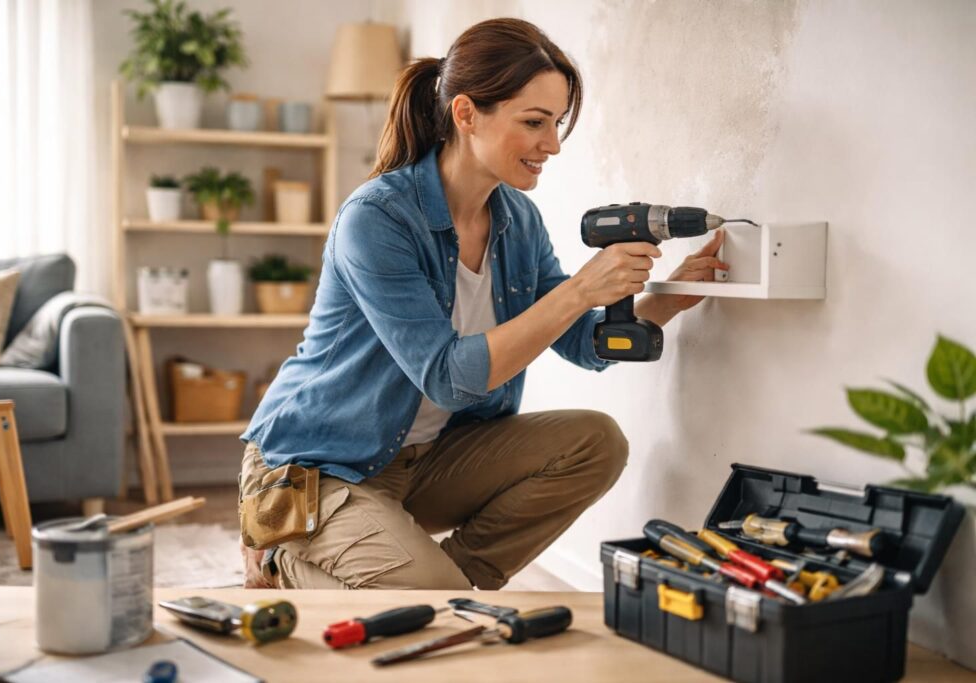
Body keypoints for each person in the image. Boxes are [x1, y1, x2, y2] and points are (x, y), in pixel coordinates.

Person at [239, 17, 727, 590]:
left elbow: (580, 342)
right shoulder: (377, 219)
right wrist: (580, 288)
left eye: (558, 123)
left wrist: (670, 299)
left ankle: (450, 585)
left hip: (427, 458)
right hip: (321, 465)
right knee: (417, 610)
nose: (553, 144)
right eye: (534, 122)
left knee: (595, 443)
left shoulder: (517, 220)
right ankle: (282, 551)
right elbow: (447, 377)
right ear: (466, 114)